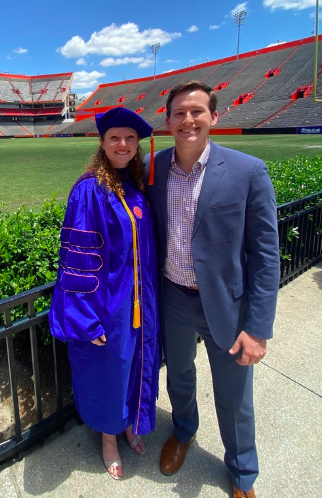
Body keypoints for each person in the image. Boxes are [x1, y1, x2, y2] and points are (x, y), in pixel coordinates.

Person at [144, 81, 280, 498]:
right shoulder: (154, 168)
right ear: (167, 121)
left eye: (197, 111)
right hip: (173, 296)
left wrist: (258, 328)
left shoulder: (247, 170)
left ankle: (242, 473)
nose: (188, 120)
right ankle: (183, 431)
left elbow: (266, 256)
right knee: (180, 375)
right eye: (180, 113)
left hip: (224, 302)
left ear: (214, 117)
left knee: (234, 394)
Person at [49, 107, 161, 480]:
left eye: (130, 138)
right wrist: (85, 317)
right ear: (102, 142)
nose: (123, 144)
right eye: (115, 137)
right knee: (112, 373)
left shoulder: (134, 185)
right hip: (109, 307)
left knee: (135, 367)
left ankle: (132, 422)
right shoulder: (88, 190)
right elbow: (76, 260)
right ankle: (109, 439)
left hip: (141, 302)